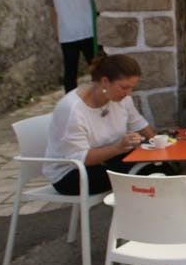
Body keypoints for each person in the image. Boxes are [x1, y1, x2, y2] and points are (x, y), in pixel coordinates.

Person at [44, 54, 155, 195]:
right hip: (72, 174)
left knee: (153, 164)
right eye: (124, 87)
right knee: (142, 173)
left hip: (105, 160)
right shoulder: (72, 109)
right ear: (104, 81)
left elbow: (137, 123)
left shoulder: (121, 98)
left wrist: (158, 143)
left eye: (132, 88)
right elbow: (81, 158)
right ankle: (137, 214)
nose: (128, 93)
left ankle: (147, 213)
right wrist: (118, 148)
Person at [47, 0, 95, 93]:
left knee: (70, 71)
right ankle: (101, 96)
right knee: (97, 68)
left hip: (67, 33)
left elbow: (52, 11)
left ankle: (70, 101)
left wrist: (56, 31)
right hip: (89, 31)